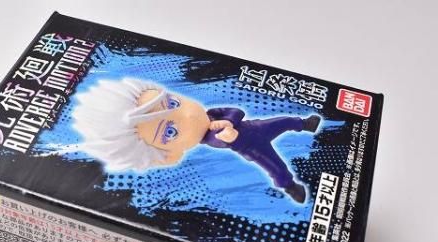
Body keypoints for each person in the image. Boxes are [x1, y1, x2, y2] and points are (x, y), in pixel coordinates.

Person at [72, 78, 321, 203]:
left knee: (283, 121)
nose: (188, 116)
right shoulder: (212, 138)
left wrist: (230, 121)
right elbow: (224, 142)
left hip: (256, 127)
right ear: (171, 154)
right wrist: (230, 137)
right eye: (170, 132)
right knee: (275, 167)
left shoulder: (212, 115)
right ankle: (290, 186)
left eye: (172, 103)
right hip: (254, 149)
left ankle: (305, 124)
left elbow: (235, 111)